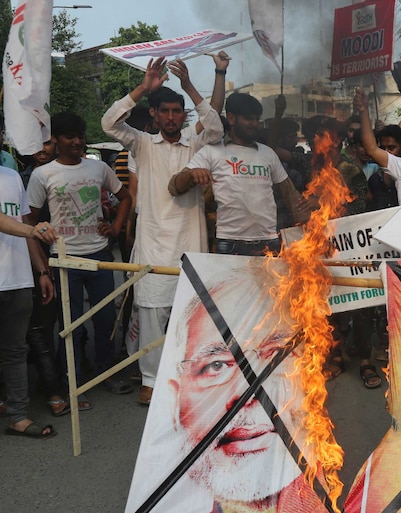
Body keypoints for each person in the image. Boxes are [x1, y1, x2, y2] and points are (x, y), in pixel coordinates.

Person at [166, 271, 347, 513]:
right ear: (176, 400)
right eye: (215, 366)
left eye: (276, 355)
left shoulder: (358, 507)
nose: (243, 392)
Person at [101, 56, 225, 405]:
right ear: (154, 114)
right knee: (153, 315)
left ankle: (189, 377)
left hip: (191, 242)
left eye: (177, 111)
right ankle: (151, 380)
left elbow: (215, 128)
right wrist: (143, 87)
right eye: (165, 111)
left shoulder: (195, 142)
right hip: (154, 243)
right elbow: (109, 123)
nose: (171, 118)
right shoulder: (141, 143)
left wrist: (189, 87)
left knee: (191, 314)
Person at [26, 112, 133, 397]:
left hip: (99, 257)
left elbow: (125, 198)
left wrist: (115, 227)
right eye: (69, 137)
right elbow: (28, 220)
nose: (77, 142)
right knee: (70, 325)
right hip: (64, 261)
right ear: (57, 140)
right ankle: (71, 384)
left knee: (106, 321)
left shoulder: (98, 169)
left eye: (80, 136)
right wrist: (42, 249)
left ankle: (106, 373)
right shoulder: (42, 175)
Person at [169, 93, 305, 256]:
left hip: (268, 242)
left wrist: (314, 222)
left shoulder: (268, 154)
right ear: (232, 118)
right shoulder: (212, 151)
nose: (255, 124)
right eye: (249, 119)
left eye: (257, 119)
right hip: (229, 243)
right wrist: (191, 174)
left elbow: (290, 195)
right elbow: (174, 187)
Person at [1, 166, 58, 438]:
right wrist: (32, 230)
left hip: (18, 279)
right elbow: (15, 224)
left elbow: (26, 224)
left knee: (15, 352)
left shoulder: (12, 176)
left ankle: (19, 416)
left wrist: (42, 271)